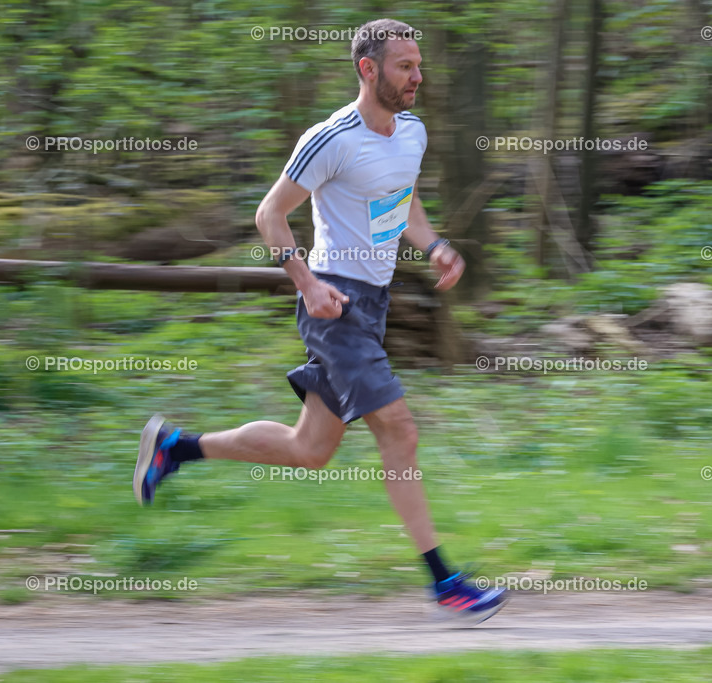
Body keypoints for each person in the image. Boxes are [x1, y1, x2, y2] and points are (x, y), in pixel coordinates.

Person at [132, 18, 507, 625]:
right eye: (406, 66)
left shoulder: (411, 131)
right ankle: (447, 584)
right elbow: (269, 215)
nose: (418, 76)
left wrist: (433, 243)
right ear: (369, 69)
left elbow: (400, 198)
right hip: (335, 305)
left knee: (310, 450)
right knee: (400, 431)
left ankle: (177, 449)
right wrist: (306, 284)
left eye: (419, 64)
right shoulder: (330, 138)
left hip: (373, 306)